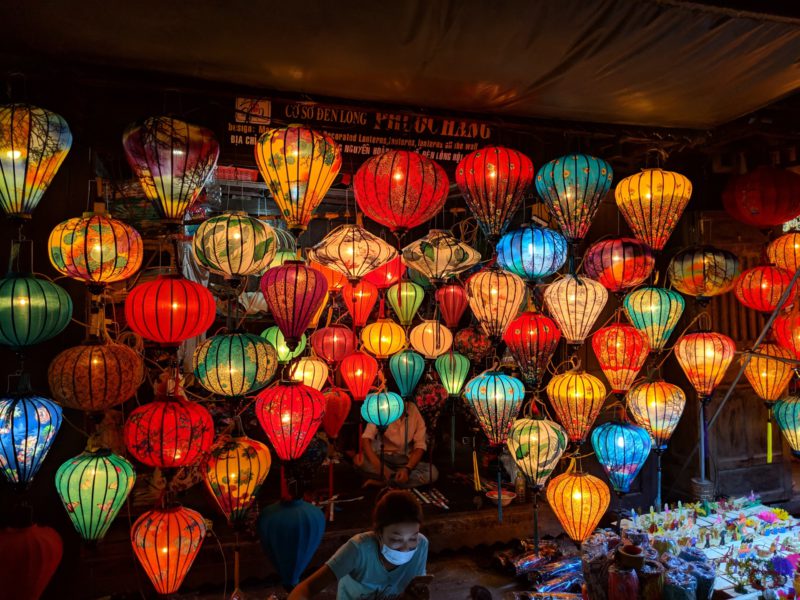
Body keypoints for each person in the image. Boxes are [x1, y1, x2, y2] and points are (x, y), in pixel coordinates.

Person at [288, 490, 430, 599]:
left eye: (412, 538)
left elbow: (413, 590)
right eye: (396, 540)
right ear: (379, 534)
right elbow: (305, 589)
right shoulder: (359, 549)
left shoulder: (421, 545)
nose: (406, 549)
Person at [356, 401, 438, 487]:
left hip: (405, 460)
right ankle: (397, 481)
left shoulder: (412, 409)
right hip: (383, 458)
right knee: (359, 460)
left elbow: (420, 445)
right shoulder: (381, 408)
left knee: (432, 472)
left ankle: (387, 482)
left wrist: (407, 469)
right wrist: (379, 466)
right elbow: (366, 438)